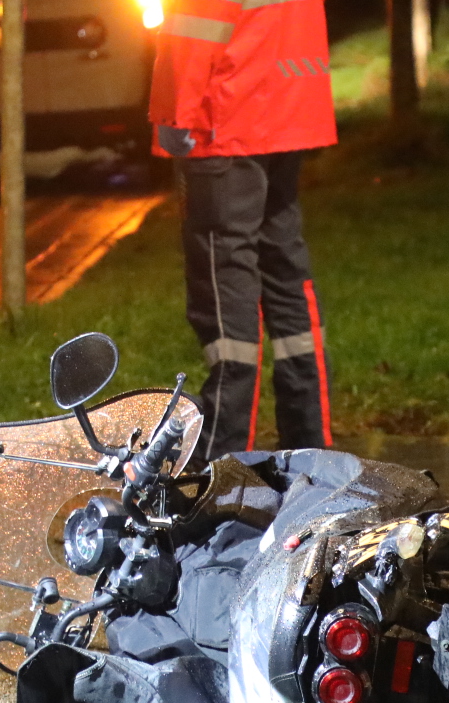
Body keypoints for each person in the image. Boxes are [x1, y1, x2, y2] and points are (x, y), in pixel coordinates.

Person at [149, 0, 338, 459]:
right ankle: (310, 449)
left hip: (227, 122)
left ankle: (224, 454)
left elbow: (197, 27)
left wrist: (178, 113)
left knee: (223, 280)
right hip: (288, 115)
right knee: (286, 273)